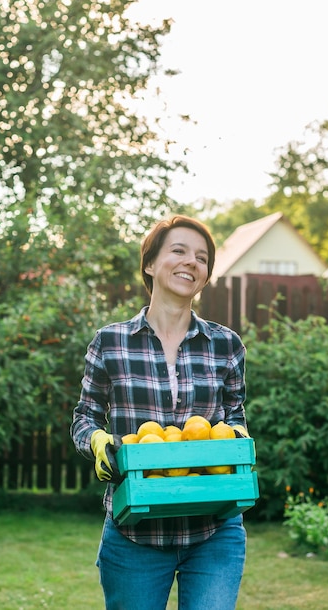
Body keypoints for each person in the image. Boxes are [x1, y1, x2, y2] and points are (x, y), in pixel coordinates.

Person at [70, 214, 250, 610]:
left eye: (202, 258)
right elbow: (85, 416)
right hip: (135, 532)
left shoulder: (226, 345)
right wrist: (99, 442)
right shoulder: (111, 342)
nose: (192, 262)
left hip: (214, 529)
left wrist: (235, 441)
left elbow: (236, 415)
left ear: (206, 275)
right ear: (150, 264)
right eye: (179, 251)